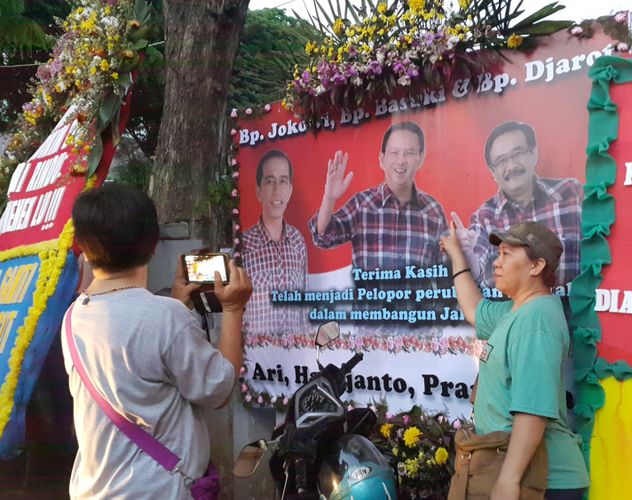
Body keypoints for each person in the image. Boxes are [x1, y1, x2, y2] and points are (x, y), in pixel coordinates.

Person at [63, 183, 252, 499]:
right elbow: (218, 388)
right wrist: (233, 309)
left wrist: (178, 303)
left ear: (81, 246)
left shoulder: (74, 316)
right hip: (156, 490)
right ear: (153, 245)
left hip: (95, 489)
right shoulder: (165, 318)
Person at [441, 220, 589, 500]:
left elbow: (532, 409)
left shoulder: (536, 319)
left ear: (536, 266)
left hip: (541, 479)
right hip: (518, 469)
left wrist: (509, 481)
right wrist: (457, 255)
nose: (497, 263)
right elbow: (474, 310)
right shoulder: (517, 310)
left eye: (507, 255)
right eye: (498, 254)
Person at [308, 121, 448, 272]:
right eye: (394, 153)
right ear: (382, 159)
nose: (401, 161)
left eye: (409, 153)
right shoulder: (362, 205)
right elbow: (323, 236)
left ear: (421, 158)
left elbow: (445, 270)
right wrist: (329, 198)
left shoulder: (433, 211)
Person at [458, 121, 582, 290]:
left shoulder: (571, 193)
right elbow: (477, 269)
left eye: (517, 153)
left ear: (533, 153)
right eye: (501, 161)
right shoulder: (484, 216)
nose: (511, 166)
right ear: (493, 171)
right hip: (512, 316)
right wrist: (466, 254)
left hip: (572, 315)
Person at [241, 149, 307, 335]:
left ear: (290, 190)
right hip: (257, 360)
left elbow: (303, 308)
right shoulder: (244, 246)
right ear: (258, 191)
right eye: (270, 181)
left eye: (283, 181)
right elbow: (236, 311)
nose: (277, 190)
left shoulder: (298, 242)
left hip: (295, 358)